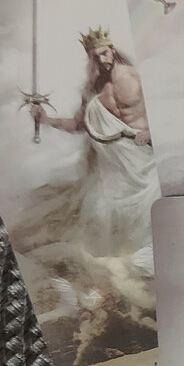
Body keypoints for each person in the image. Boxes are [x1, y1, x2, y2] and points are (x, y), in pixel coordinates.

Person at [29, 26, 158, 257]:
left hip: (145, 160)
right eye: (95, 56)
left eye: (104, 53)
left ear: (112, 50)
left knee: (148, 215)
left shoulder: (136, 76)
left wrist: (151, 133)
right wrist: (46, 119)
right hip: (114, 168)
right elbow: (79, 125)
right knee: (101, 212)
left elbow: (164, 110)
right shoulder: (92, 89)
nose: (101, 60)